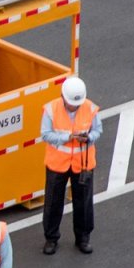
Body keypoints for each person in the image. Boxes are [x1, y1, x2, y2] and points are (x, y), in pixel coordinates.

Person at [41, 76, 101, 255]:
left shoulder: (90, 108)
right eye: (71, 104)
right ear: (63, 97)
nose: (74, 107)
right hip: (57, 163)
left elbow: (98, 130)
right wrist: (67, 138)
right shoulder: (51, 110)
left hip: (83, 164)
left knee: (84, 202)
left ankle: (83, 237)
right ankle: (51, 238)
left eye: (76, 104)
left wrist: (89, 137)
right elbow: (45, 134)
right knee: (53, 202)